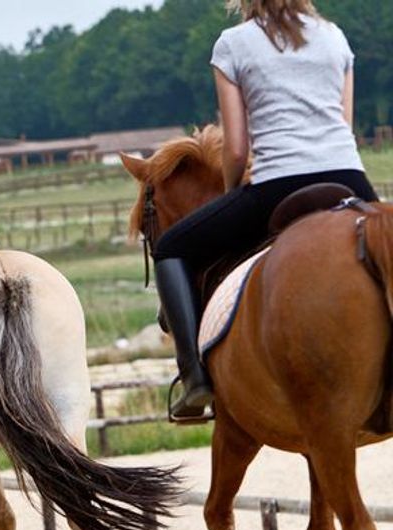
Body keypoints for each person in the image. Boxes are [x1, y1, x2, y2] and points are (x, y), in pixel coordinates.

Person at [151, 0, 377, 422]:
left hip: (278, 183)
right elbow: (343, 127)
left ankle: (194, 380)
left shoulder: (233, 43)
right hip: (350, 178)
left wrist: (233, 193)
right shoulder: (334, 37)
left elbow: (236, 148)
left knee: (170, 246)